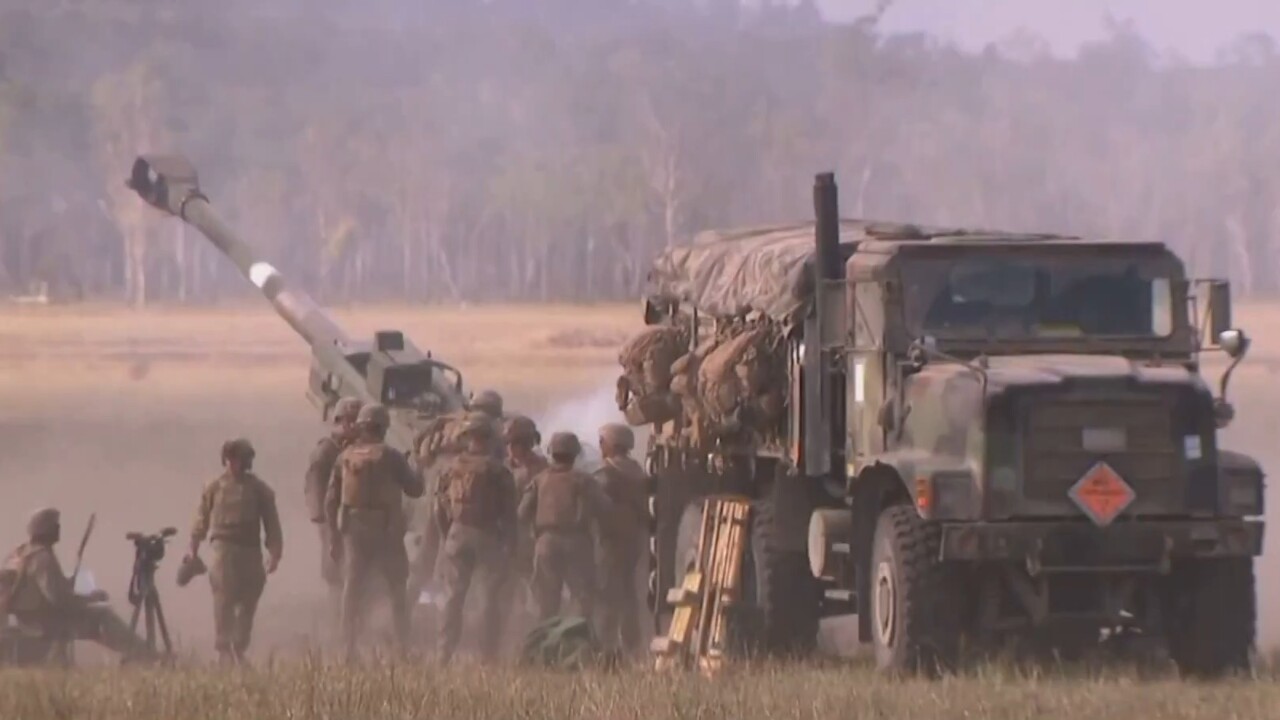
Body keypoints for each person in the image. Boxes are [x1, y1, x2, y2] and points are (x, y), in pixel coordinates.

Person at [326, 402, 424, 659]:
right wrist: (420, 466)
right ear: (383, 427)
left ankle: (347, 647)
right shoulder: (391, 457)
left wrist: (335, 536)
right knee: (396, 590)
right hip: (387, 531)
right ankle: (403, 647)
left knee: (353, 588)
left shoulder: (344, 457)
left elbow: (330, 500)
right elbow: (415, 489)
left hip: (354, 531)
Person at [1, 507, 155, 665]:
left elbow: (39, 589)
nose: (59, 529)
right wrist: (91, 598)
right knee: (102, 616)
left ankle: (141, 654)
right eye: (55, 525)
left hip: (28, 620)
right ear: (44, 529)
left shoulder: (20, 553)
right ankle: (146, 656)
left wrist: (67, 584)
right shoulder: (43, 558)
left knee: (97, 614)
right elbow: (60, 600)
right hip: (45, 623)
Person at [188, 438, 283, 665]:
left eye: (239, 459)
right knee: (223, 601)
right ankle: (223, 651)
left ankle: (239, 648)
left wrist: (275, 553)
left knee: (248, 602)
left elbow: (272, 524)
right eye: (231, 459)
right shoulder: (213, 487)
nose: (235, 464)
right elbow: (200, 520)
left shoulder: (260, 490)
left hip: (250, 551)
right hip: (223, 550)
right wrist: (193, 549)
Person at [433, 412, 518, 664]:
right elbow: (509, 512)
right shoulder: (498, 471)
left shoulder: (451, 468)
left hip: (457, 534)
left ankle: (443, 653)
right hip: (488, 535)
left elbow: (439, 507)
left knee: (453, 597)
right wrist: (510, 544)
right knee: (488, 598)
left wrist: (446, 535)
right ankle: (487, 655)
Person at [518, 432, 614, 624]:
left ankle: (543, 646)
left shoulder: (539, 480)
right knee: (582, 599)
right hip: (577, 543)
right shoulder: (585, 480)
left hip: (546, 544)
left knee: (545, 602)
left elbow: (521, 513)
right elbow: (605, 508)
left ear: (551, 452)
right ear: (575, 454)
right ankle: (576, 644)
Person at [592, 423, 650, 658]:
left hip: (610, 541)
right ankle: (632, 643)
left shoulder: (605, 475)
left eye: (602, 442)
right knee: (629, 592)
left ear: (610, 445)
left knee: (607, 592)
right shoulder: (638, 472)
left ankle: (606, 644)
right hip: (634, 540)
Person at [305, 397, 363, 598]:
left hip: (356, 523)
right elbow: (315, 490)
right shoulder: (326, 451)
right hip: (334, 522)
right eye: (352, 420)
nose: (357, 426)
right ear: (341, 421)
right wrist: (328, 527)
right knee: (339, 575)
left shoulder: (358, 449)